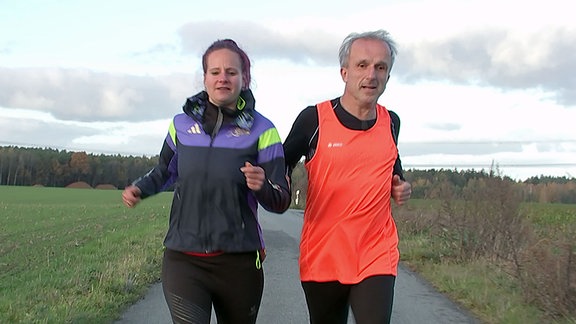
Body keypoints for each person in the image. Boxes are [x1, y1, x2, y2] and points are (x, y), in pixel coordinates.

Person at [122, 39, 291, 324]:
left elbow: (282, 199)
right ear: (205, 78)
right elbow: (164, 171)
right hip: (183, 258)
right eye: (215, 72)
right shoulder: (181, 125)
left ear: (244, 78)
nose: (222, 78)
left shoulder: (264, 130)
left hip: (239, 262)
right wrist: (140, 188)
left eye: (231, 72)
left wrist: (262, 186)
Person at [283, 30, 412, 324]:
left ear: (388, 76)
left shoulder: (391, 122)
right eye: (362, 65)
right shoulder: (313, 119)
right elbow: (281, 163)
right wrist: (279, 186)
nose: (372, 75)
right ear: (344, 72)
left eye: (381, 67)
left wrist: (401, 185)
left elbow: (393, 166)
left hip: (376, 252)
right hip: (324, 253)